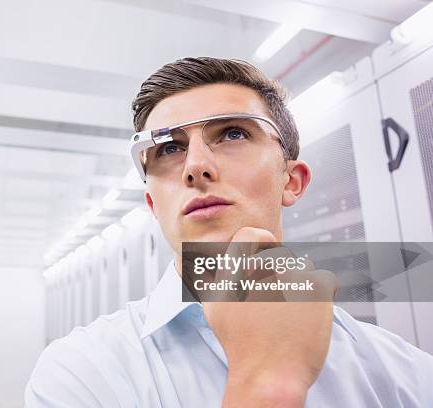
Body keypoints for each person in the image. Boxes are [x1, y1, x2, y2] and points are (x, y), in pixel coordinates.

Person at [25, 57, 433, 407]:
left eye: (233, 134)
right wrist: (265, 388)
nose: (195, 166)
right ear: (153, 205)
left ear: (292, 181)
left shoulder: (406, 374)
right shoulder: (81, 372)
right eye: (169, 147)